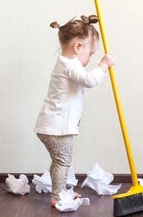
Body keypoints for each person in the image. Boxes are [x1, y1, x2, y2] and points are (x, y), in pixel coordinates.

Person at [34, 15, 114, 207]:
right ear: (78, 47)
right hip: (57, 128)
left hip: (51, 125)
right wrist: (103, 64)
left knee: (59, 162)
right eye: (91, 54)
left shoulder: (65, 63)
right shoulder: (70, 65)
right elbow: (89, 81)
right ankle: (58, 196)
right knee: (63, 162)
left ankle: (59, 191)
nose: (90, 59)